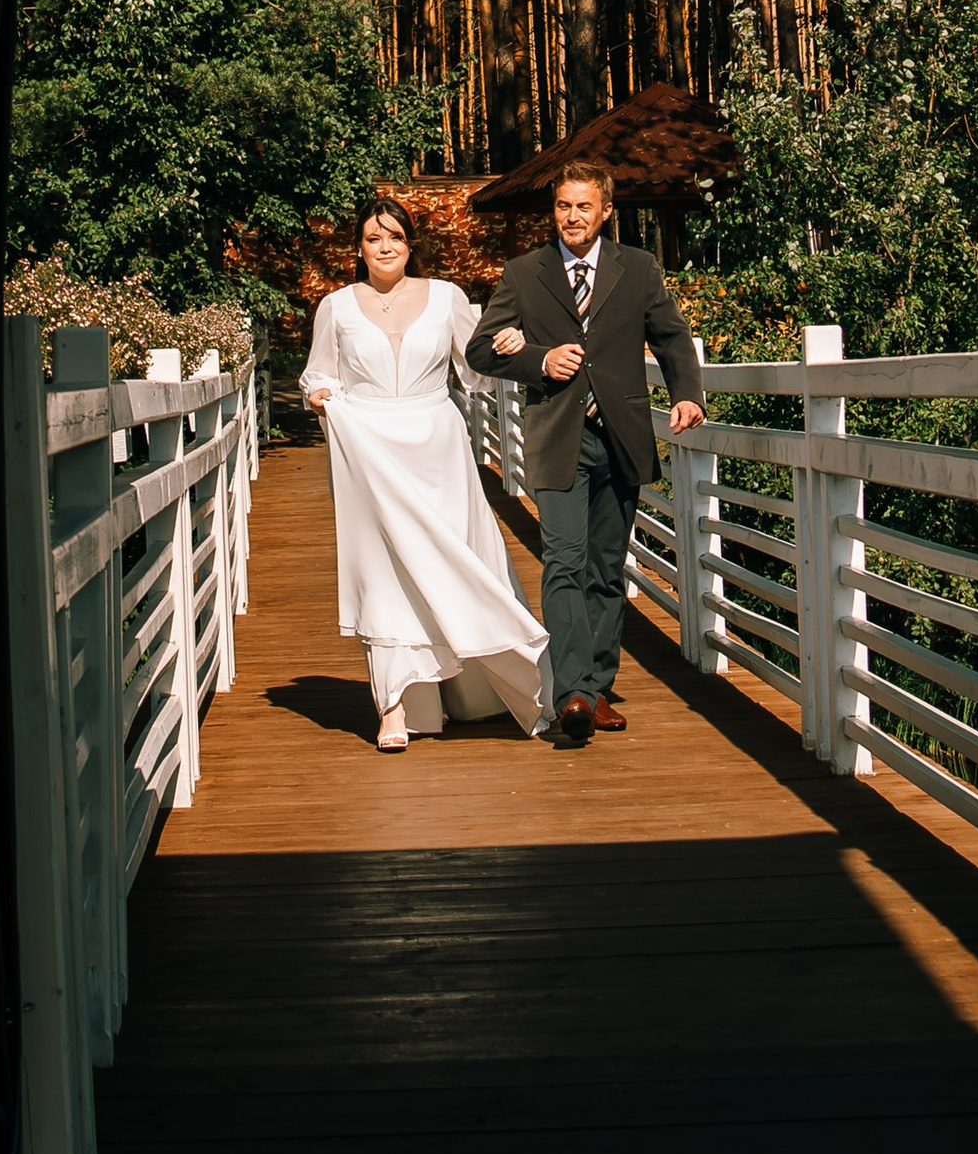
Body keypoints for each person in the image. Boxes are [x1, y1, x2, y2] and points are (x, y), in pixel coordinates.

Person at [466, 167, 705, 748]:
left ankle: (595, 691)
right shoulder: (525, 274)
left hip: (621, 436)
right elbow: (479, 349)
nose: (572, 216)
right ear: (555, 212)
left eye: (583, 207)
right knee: (563, 560)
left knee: (604, 567)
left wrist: (688, 395)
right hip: (557, 437)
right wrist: (538, 361)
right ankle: (571, 690)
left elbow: (671, 338)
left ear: (604, 212)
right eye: (564, 207)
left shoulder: (639, 268)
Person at [301, 199, 549, 751]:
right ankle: (393, 706)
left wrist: (512, 345)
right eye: (372, 238)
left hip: (437, 450)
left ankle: (473, 689)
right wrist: (319, 394)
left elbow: (477, 372)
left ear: (411, 244)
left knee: (451, 560)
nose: (384, 247)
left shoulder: (448, 298)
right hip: (368, 449)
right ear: (359, 248)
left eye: (394, 236)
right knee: (384, 572)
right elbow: (318, 373)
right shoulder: (335, 307)